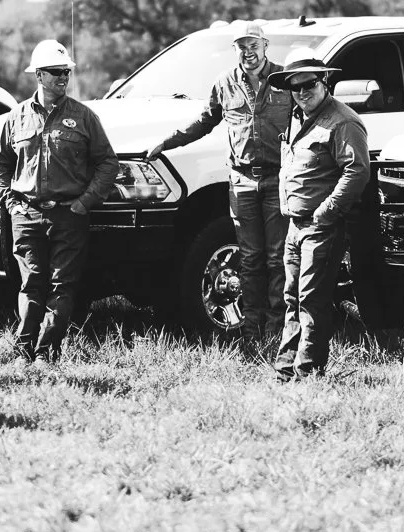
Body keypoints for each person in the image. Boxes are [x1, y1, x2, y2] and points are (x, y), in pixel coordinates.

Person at [145, 21, 293, 338]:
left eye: (254, 45)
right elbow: (203, 121)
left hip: (277, 179)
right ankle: (253, 327)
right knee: (250, 257)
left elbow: (310, 117)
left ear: (266, 46)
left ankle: (278, 325)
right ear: (234, 49)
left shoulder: (285, 80)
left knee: (276, 256)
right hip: (241, 180)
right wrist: (167, 142)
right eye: (242, 46)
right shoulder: (224, 83)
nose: (248, 52)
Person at [0, 39, 120, 361]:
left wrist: (85, 202)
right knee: (30, 285)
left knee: (62, 287)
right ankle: (23, 352)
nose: (63, 78)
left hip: (69, 215)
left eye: (66, 72)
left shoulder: (84, 116)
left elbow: (108, 162)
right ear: (38, 75)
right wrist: (10, 202)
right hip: (26, 214)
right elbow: (0, 164)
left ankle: (47, 353)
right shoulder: (16, 117)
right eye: (55, 72)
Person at [269, 51, 370, 380]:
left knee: (312, 298)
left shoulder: (344, 121)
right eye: (294, 87)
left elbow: (356, 172)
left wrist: (326, 212)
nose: (301, 92)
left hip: (320, 226)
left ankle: (309, 372)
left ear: (325, 82)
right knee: (291, 296)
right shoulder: (296, 116)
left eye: (309, 84)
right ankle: (286, 370)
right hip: (295, 225)